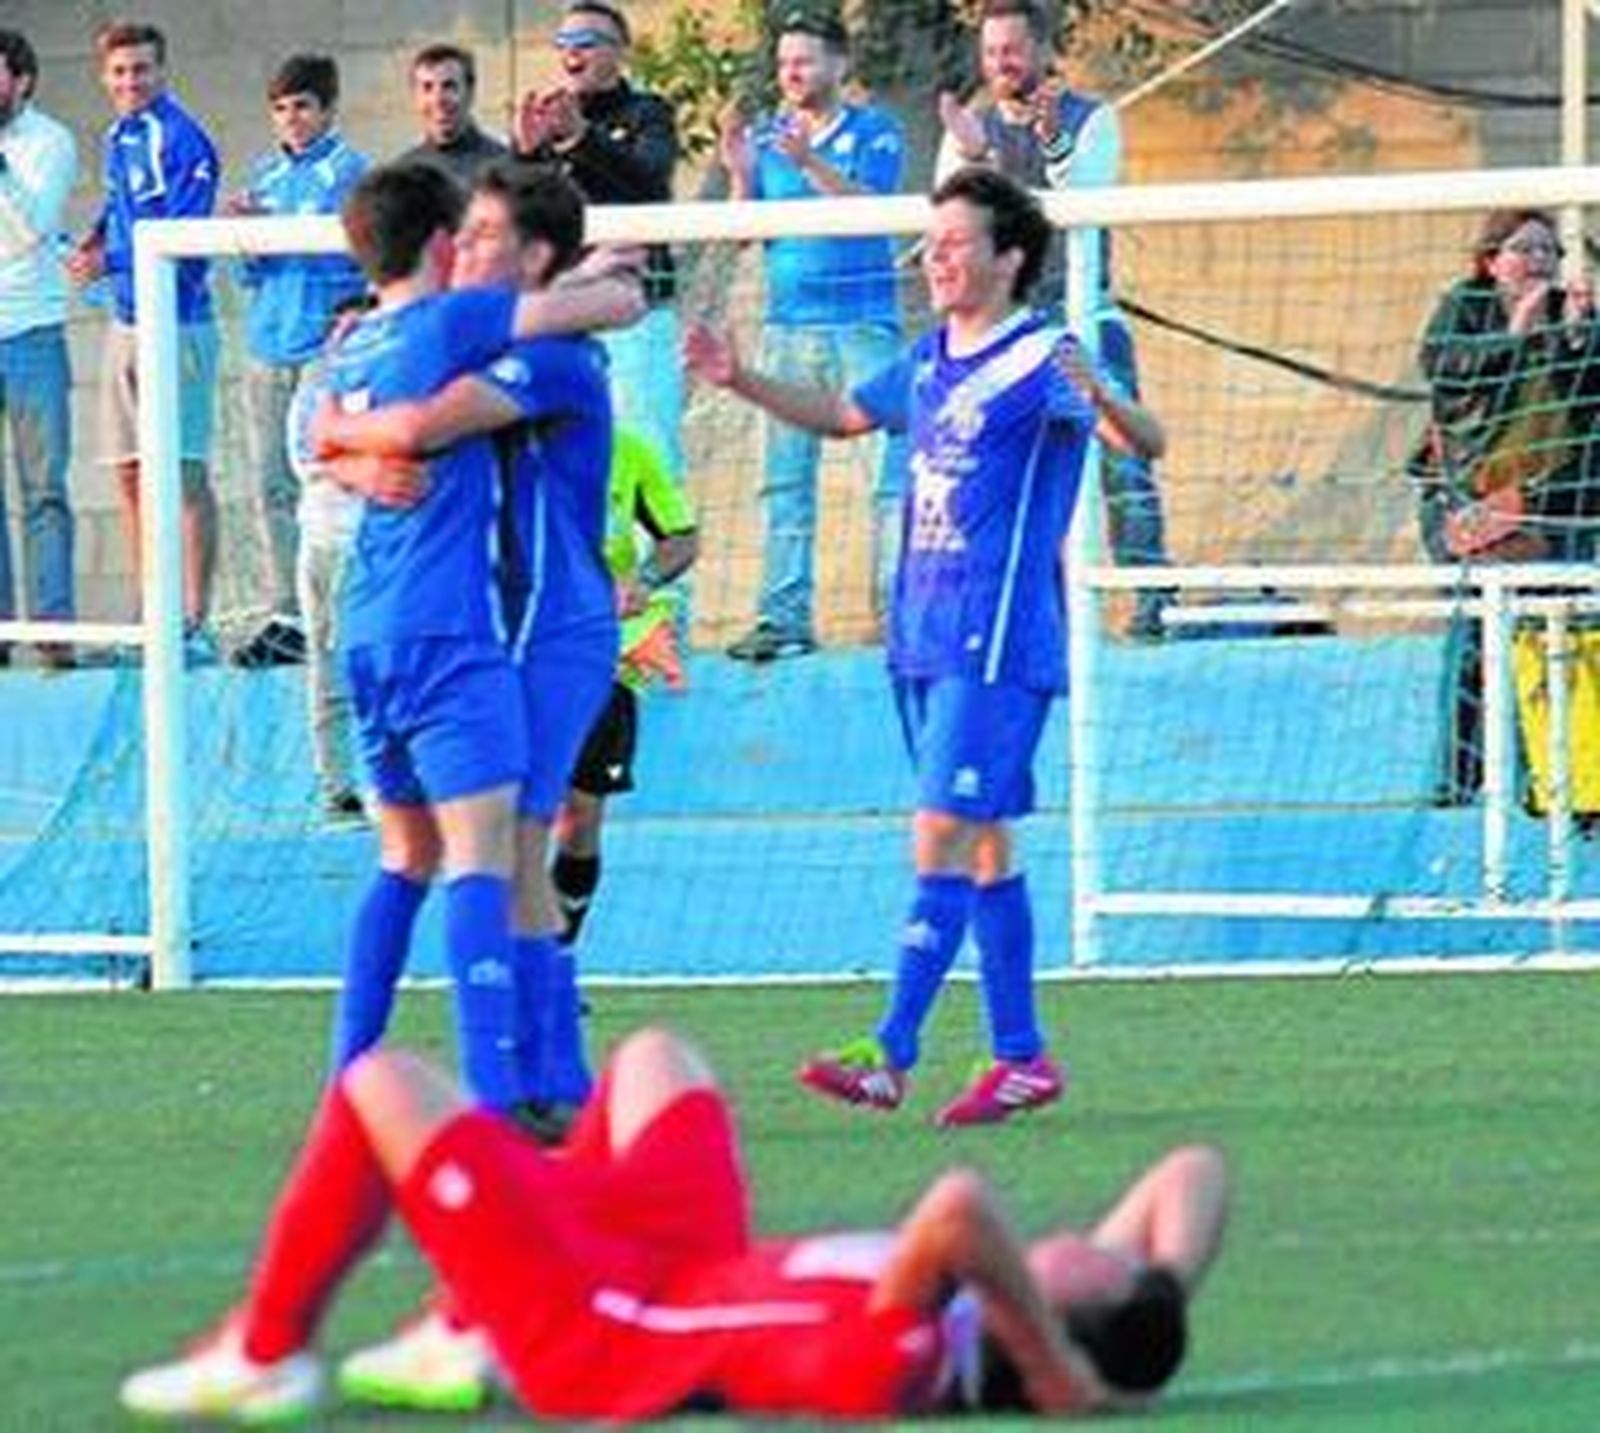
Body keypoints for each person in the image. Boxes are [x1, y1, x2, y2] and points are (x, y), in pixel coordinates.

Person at [686, 167, 1165, 1126]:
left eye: (954, 243)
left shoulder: (1042, 358)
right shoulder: (927, 357)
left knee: (939, 830)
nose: (934, 259)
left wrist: (1104, 398)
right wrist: (741, 378)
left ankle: (891, 1047)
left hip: (995, 636)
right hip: (923, 633)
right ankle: (1021, 1055)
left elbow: (1143, 442)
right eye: (931, 243)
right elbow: (841, 417)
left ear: (1009, 256)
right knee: (983, 845)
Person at [118, 1024, 1229, 1422]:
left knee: (384, 1084)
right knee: (659, 1059)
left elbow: (960, 1207)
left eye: (1095, 1259)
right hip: (676, 1264)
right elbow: (1195, 1170)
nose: (1096, 1231)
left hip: (595, 1333)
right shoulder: (998, 1308)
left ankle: (265, 1353)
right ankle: (463, 1322)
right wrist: (1159, 1287)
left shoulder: (900, 1361)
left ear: (1044, 1329)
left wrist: (1054, 1371)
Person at [309, 161, 642, 1114]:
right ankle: (541, 1081)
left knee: (502, 846)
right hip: (479, 620)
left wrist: (342, 431)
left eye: (493, 233)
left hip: (548, 624)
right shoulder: (443, 332)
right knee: (498, 850)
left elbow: (412, 423)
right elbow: (386, 428)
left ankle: (529, 1084)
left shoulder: (545, 356)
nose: (474, 246)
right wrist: (348, 455)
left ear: (535, 255)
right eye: (470, 229)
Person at [937, 0, 1174, 640]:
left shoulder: (1094, 120)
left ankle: (1153, 600)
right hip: (1004, 332)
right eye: (990, 53)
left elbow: (1079, 201)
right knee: (998, 467)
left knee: (1123, 467)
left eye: (1011, 50)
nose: (1000, 64)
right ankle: (1007, 609)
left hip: (1081, 320)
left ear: (1043, 51)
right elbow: (957, 219)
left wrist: (1047, 142)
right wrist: (976, 156)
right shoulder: (969, 130)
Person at [718, 10, 909, 661]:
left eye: (803, 61)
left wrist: (810, 162)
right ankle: (784, 618)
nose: (790, 74)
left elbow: (871, 212)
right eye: (783, 64)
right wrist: (742, 172)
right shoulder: (770, 139)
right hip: (788, 328)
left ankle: (897, 615)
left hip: (863, 329)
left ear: (838, 65)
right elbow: (749, 234)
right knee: (784, 481)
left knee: (889, 479)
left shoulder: (876, 129)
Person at [1412, 207, 1600, 807]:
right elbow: (1446, 371)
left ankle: (1556, 780)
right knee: (1478, 632)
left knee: (1561, 632)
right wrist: (1517, 329)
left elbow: (1586, 404)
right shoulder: (1464, 309)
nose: (1540, 262)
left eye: (1549, 251)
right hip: (1473, 497)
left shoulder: (1576, 316)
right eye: (1524, 249)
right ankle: (1461, 776)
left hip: (1554, 502)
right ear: (1491, 261)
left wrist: (1575, 337)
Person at [65, 19, 221, 661]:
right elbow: (120, 207)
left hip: (177, 323)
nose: (131, 81)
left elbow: (181, 240)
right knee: (129, 472)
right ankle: (152, 611)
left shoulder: (182, 137)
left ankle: (193, 621)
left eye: (142, 69)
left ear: (162, 71)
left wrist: (114, 261)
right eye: (120, 71)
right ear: (105, 77)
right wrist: (97, 241)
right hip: (126, 322)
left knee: (181, 472)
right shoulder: (117, 134)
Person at [229, 53, 369, 669]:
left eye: (303, 106)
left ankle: (335, 613)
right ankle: (286, 613)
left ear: (328, 109)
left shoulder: (350, 172)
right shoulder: (262, 176)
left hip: (322, 350)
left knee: (330, 484)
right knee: (269, 485)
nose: (292, 119)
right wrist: (243, 232)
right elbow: (248, 271)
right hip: (268, 346)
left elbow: (358, 260)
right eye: (281, 109)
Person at [514, 0, 685, 481]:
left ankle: (663, 554)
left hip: (636, 311)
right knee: (558, 457)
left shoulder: (648, 113)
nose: (572, 53)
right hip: (561, 312)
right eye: (564, 44)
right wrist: (525, 156)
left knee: (649, 450)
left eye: (586, 42)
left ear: (619, 52)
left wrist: (580, 140)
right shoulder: (546, 122)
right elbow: (523, 216)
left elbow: (651, 185)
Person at [553, 424, 699, 947]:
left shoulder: (629, 450)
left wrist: (644, 582)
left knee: (580, 817)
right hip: (521, 653)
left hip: (603, 656)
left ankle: (558, 953)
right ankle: (514, 968)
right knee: (509, 813)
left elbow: (681, 537)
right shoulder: (505, 448)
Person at [0, 28, 76, 671]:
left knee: (43, 488)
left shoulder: (50, 142)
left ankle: (55, 633)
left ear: (21, 79)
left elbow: (28, 233)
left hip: (33, 333)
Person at [397, 42, 508, 193]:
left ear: (470, 93)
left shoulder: (504, 166)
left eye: (449, 86)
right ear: (415, 97)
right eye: (427, 88)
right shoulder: (402, 173)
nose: (438, 99)